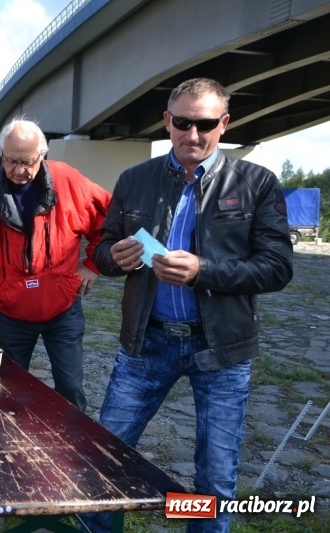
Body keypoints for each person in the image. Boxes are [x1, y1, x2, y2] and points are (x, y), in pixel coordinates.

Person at [83, 78, 293, 533]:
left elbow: (277, 267)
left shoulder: (256, 182)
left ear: (224, 124)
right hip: (146, 342)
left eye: (205, 124)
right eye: (182, 123)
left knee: (213, 480)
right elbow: (101, 249)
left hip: (221, 350)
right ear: (167, 121)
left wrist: (203, 270)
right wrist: (113, 257)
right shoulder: (134, 179)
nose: (192, 135)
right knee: (105, 458)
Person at [0, 118, 111, 410]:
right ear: (1, 155)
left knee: (70, 387)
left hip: (63, 308)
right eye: (10, 161)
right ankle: (5, 436)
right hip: (11, 313)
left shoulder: (69, 182)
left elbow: (110, 222)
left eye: (27, 162)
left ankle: (69, 437)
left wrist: (93, 264)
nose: (19, 171)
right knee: (2, 389)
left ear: (42, 155)